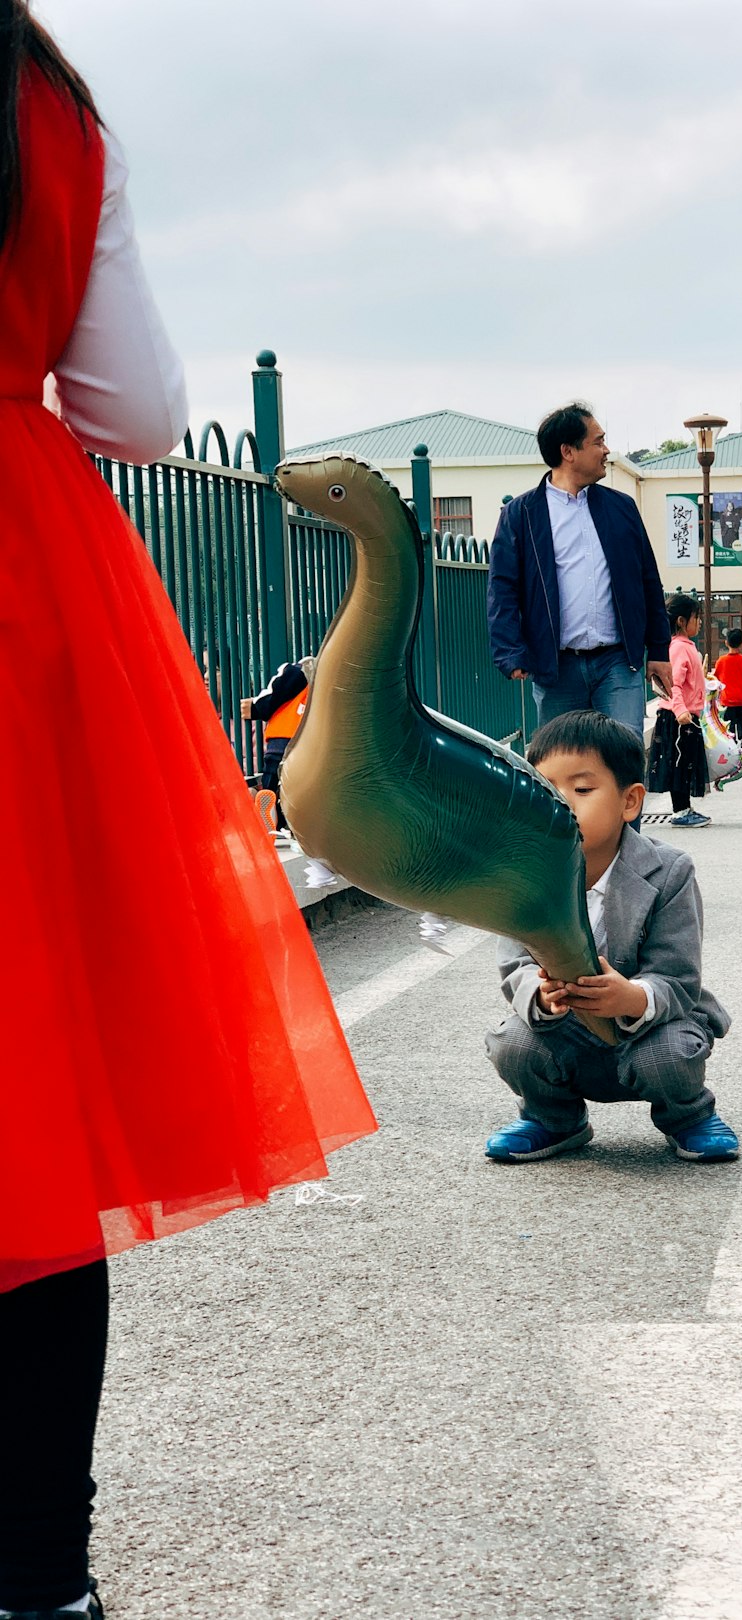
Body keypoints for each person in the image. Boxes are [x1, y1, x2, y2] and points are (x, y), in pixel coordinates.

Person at [0, 13, 375, 1619]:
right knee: (32, 1111)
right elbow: (143, 414)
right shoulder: (49, 107)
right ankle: (39, 1580)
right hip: (22, 592)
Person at [483, 711, 738, 1164]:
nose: (561, 803)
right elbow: (514, 966)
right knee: (512, 1042)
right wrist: (541, 998)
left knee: (671, 1055)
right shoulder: (524, 875)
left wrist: (633, 997)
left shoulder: (669, 871)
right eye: (545, 789)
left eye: (581, 790)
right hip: (565, 1034)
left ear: (630, 802)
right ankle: (553, 1119)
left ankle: (688, 1115)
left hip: (649, 1033)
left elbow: (678, 976)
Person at [486, 402, 672, 734]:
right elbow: (503, 588)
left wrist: (659, 650)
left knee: (621, 759)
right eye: (598, 442)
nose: (606, 450)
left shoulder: (622, 508)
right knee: (565, 767)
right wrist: (509, 650)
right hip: (556, 668)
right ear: (568, 452)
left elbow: (648, 580)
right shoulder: (521, 514)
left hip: (617, 662)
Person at [647, 593, 710, 828]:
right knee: (679, 764)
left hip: (685, 716)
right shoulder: (678, 648)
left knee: (685, 763)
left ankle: (685, 807)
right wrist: (681, 709)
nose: (700, 622)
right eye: (697, 617)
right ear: (682, 621)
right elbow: (674, 684)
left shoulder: (684, 647)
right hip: (678, 717)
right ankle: (680, 811)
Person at [241, 654, 316, 836]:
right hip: (312, 741)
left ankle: (272, 813)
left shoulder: (297, 669)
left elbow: (273, 694)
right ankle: (289, 822)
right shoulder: (338, 677)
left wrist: (256, 707)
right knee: (304, 786)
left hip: (283, 737)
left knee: (272, 782)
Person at [713, 626, 742, 745]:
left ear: (726, 642)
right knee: (741, 717)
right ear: (741, 644)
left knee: (728, 720)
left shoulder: (721, 661)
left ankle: (730, 740)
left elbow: (716, 679)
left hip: (726, 699)